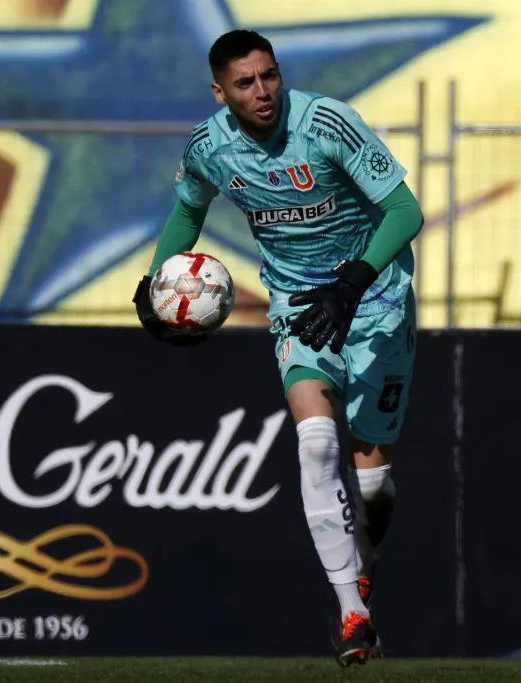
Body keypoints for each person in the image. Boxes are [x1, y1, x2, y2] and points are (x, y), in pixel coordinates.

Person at [131, 29, 423, 666]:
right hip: (298, 307)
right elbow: (188, 214)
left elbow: (405, 211)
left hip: (375, 301)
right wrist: (156, 286)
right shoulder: (209, 147)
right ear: (220, 91)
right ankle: (352, 615)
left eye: (269, 76)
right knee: (317, 443)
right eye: (245, 83)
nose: (261, 92)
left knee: (373, 481)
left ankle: (364, 568)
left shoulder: (328, 124)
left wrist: (351, 284)